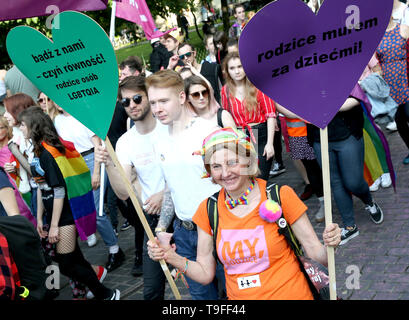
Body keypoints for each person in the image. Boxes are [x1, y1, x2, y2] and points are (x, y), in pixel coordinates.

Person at [147, 127, 341, 300]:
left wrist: (330, 244)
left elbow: (317, 254)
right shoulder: (208, 210)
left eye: (232, 162)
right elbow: (206, 274)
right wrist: (172, 257)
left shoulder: (280, 196)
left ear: (247, 160)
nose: (225, 173)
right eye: (216, 166)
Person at [18, 106, 120, 300]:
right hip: (53, 214)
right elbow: (41, 187)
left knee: (65, 263)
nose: (21, 128)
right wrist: (40, 218)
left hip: (64, 214)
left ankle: (105, 292)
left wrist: (54, 225)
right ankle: (101, 286)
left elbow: (58, 190)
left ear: (33, 126)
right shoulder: (38, 151)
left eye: (23, 124)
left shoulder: (49, 153)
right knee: (73, 259)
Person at [145, 69, 225, 300]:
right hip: (184, 233)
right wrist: (161, 228)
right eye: (153, 102)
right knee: (201, 298)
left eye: (163, 101)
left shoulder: (208, 131)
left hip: (219, 228)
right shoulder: (158, 139)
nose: (157, 108)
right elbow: (171, 186)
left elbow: (234, 181)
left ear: (181, 97)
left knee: (235, 295)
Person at [95, 75, 172, 299]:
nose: (132, 105)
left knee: (200, 283)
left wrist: (164, 193)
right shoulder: (125, 142)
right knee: (151, 291)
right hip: (152, 222)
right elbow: (122, 192)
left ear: (149, 97)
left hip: (184, 215)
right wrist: (109, 163)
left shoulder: (168, 127)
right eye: (125, 102)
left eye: (137, 98)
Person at [307, 90, 385, 245]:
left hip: (347, 131)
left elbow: (358, 97)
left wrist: (325, 107)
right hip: (319, 137)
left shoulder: (340, 68)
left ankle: (369, 202)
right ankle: (349, 226)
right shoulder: (302, 76)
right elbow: (287, 105)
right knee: (335, 182)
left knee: (353, 182)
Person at [53, 107, 125, 272]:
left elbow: (97, 144)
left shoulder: (82, 113)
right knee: (86, 210)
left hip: (93, 159)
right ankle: (109, 246)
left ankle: (115, 250)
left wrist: (96, 173)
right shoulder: (57, 120)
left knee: (98, 212)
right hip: (74, 165)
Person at [221, 52, 277, 181]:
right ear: (227, 71)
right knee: (247, 180)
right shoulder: (225, 90)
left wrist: (270, 143)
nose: (237, 71)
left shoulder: (258, 84)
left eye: (240, 66)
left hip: (260, 134)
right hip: (240, 137)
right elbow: (226, 116)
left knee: (261, 178)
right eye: (232, 68)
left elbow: (270, 115)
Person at [275, 104, 325, 223]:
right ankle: (323, 203)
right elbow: (281, 107)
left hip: (319, 128)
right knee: (311, 169)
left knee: (329, 165)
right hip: (298, 134)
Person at [377, 12, 409, 164]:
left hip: (405, 77)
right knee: (400, 121)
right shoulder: (376, 35)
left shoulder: (403, 28)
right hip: (389, 82)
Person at [3, 93, 34, 207]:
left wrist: (16, 151)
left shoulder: (34, 137)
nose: (5, 115)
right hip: (32, 190)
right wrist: (14, 169)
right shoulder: (16, 136)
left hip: (42, 191)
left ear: (18, 111)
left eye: (8, 111)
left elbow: (37, 172)